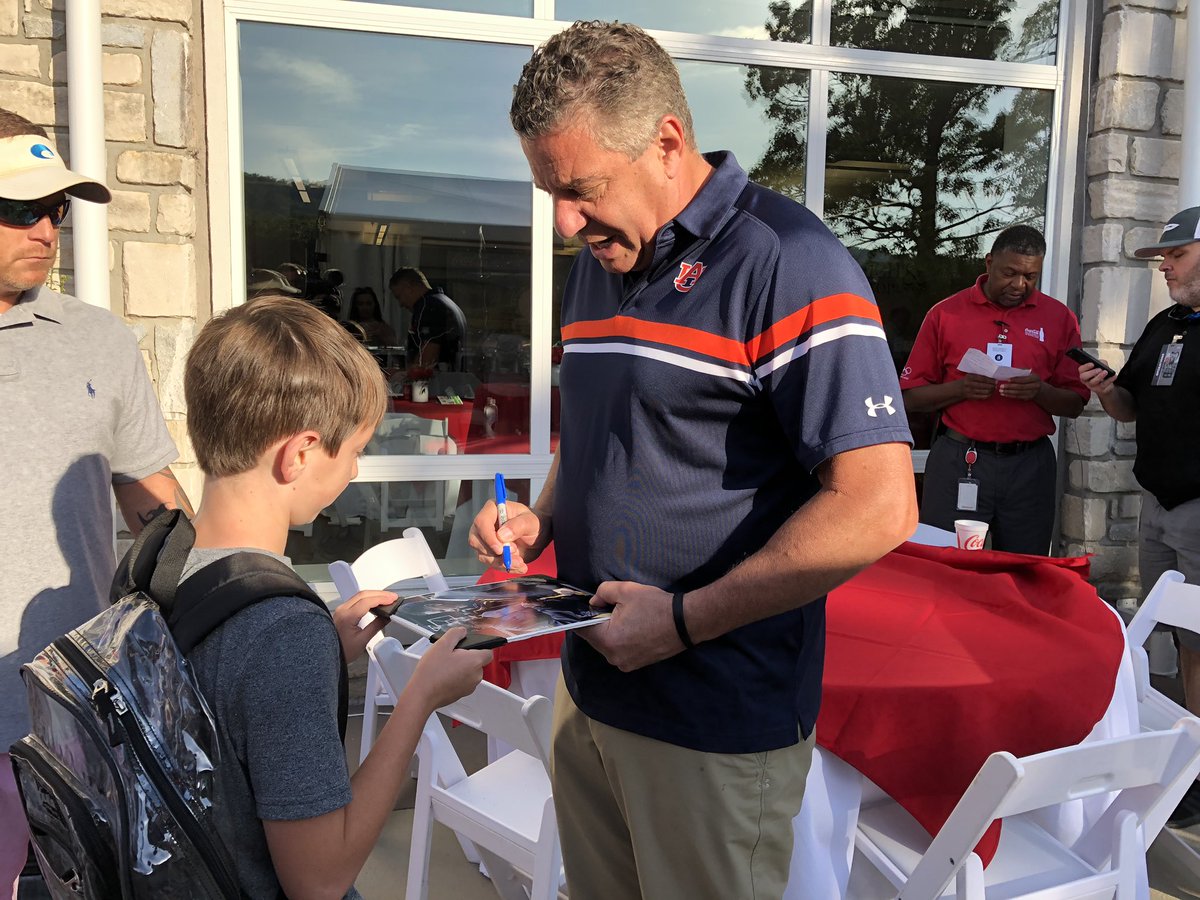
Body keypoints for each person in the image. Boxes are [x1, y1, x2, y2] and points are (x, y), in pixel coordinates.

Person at [470, 21, 917, 899]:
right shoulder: (603, 255)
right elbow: (604, 426)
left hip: (714, 716)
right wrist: (542, 516)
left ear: (668, 141)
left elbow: (879, 505)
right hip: (591, 687)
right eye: (550, 191)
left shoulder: (790, 262)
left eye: (581, 189)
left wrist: (681, 622)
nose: (565, 221)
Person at [182, 293, 491, 897]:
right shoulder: (281, 632)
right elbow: (320, 879)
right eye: (352, 452)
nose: (353, 471)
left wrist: (323, 647)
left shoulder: (163, 564)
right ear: (299, 454)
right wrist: (419, 698)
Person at [0, 108, 189, 897]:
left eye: (56, 209)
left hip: (74, 710)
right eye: (20, 208)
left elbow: (156, 503)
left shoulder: (99, 340)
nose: (46, 230)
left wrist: (226, 591)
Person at [1079, 205, 1200, 828]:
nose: (1165, 268)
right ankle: (1187, 762)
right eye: (1163, 259)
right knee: (1180, 635)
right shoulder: (1165, 325)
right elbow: (1129, 407)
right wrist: (1105, 389)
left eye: (1176, 256)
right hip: (1159, 504)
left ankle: (1194, 773)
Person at [900, 225, 1088, 554]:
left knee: (1024, 568)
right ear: (989, 263)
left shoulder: (1059, 318)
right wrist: (961, 389)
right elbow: (909, 398)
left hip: (1029, 466)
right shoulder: (946, 314)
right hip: (960, 459)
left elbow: (1074, 404)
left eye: (1030, 276)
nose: (1019, 285)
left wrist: (1040, 391)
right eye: (1009, 273)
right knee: (944, 563)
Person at [388, 266, 466, 370]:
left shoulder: (429, 307)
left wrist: (401, 375)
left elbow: (426, 360)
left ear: (408, 288)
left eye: (399, 297)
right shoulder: (446, 302)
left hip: (437, 377)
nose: (401, 304)